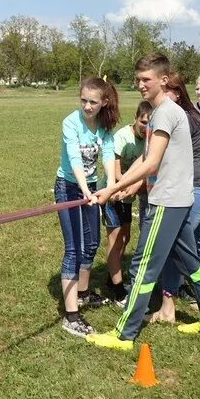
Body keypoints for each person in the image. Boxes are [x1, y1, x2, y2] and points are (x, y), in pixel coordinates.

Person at [87, 53, 200, 352]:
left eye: (145, 79)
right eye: (137, 80)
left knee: (143, 266)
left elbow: (151, 163)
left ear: (163, 79)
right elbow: (146, 157)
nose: (140, 85)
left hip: (166, 201)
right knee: (191, 261)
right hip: (179, 199)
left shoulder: (164, 112)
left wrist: (112, 190)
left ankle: (124, 335)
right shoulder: (165, 110)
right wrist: (122, 184)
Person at [155, 72, 200, 321]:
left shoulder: (179, 116)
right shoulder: (192, 114)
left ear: (175, 93)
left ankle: (168, 307)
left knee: (175, 246)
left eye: (166, 93)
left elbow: (160, 158)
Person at [55, 77, 119, 337]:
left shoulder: (104, 125)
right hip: (69, 187)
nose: (87, 106)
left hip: (92, 188)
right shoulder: (71, 122)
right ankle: (71, 316)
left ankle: (82, 294)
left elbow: (107, 154)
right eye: (84, 100)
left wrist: (111, 186)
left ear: (104, 102)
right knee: (74, 249)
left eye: (93, 102)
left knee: (91, 245)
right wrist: (84, 191)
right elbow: (74, 158)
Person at [103, 101, 151, 307]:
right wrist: (124, 187)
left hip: (128, 195)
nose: (145, 127)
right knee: (115, 240)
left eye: (149, 124)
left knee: (125, 237)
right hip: (114, 194)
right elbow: (115, 172)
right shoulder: (122, 136)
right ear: (136, 118)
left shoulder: (150, 139)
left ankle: (113, 275)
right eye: (143, 122)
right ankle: (118, 290)